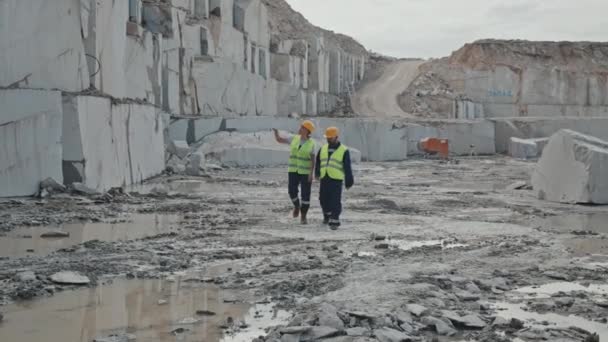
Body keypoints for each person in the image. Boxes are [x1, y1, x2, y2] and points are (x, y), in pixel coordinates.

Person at [273, 120, 316, 224]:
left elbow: (313, 159)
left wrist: (311, 173)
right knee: (291, 191)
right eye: (300, 126)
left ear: (307, 131)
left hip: (305, 172)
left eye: (302, 127)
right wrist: (276, 133)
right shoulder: (294, 138)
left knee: (306, 195)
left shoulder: (312, 143)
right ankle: (297, 205)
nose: (300, 128)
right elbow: (279, 140)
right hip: (293, 170)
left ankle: (304, 216)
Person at [315, 127, 354, 230]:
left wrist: (349, 181)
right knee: (323, 199)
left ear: (336, 137)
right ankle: (327, 215)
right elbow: (318, 162)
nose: (328, 139)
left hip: (336, 179)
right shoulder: (323, 148)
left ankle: (335, 221)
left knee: (335, 201)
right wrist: (317, 173)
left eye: (330, 137)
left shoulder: (344, 150)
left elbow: (347, 166)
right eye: (327, 137)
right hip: (325, 178)